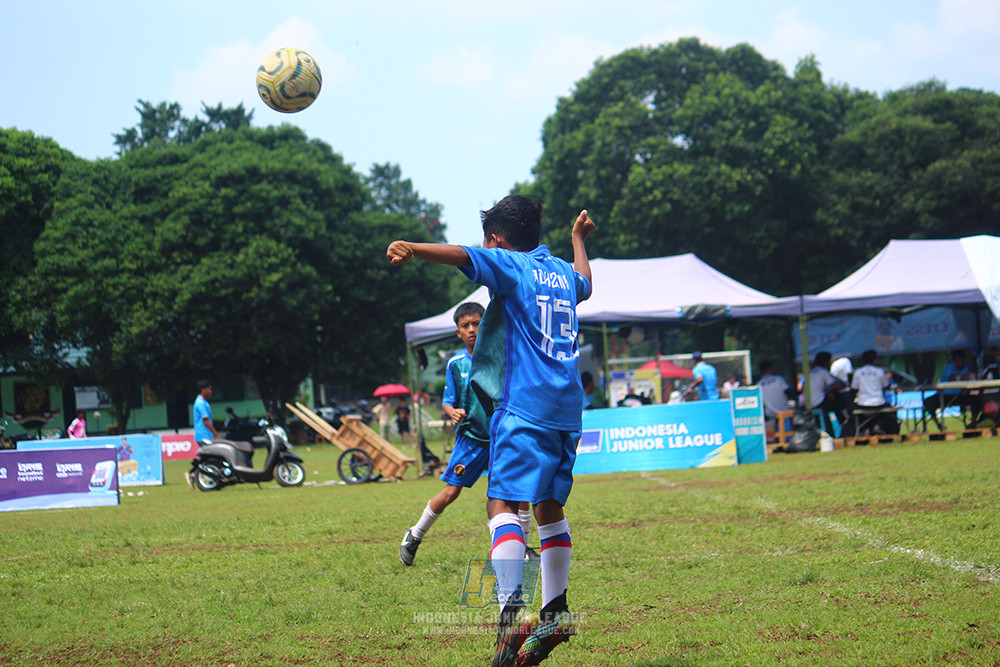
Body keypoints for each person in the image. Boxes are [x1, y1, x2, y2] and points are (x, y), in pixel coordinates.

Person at [387, 195, 593, 667]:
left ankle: (509, 613)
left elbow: (463, 254)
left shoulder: (512, 265)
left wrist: (413, 248)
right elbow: (586, 284)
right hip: (569, 406)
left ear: (498, 239)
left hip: (527, 406)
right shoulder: (561, 271)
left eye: (488, 240)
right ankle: (556, 612)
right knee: (548, 506)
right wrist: (578, 241)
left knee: (501, 504)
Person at [399, 302, 534, 566]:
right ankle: (415, 534)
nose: (472, 329)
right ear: (458, 332)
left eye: (477, 323)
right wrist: (452, 412)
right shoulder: (456, 364)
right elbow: (448, 401)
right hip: (471, 439)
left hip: (502, 437)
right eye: (465, 325)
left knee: (518, 494)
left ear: (486, 324)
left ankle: (524, 547)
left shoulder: (502, 355)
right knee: (451, 492)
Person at [922, 350, 981, 430]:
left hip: (958, 396)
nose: (958, 362)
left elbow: (967, 383)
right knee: (928, 402)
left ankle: (973, 423)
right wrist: (964, 376)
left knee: (976, 399)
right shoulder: (949, 367)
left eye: (960, 360)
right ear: (954, 360)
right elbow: (952, 377)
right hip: (944, 396)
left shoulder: (966, 368)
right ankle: (939, 424)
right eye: (957, 360)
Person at [851, 350, 899, 435]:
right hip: (879, 402)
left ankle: (863, 429)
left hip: (863, 403)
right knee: (890, 411)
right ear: (875, 359)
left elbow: (854, 388)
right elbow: (886, 386)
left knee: (853, 411)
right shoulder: (880, 371)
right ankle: (880, 426)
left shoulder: (858, 372)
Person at [809, 352, 845, 435]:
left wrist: (829, 392)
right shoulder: (823, 372)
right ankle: (843, 423)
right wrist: (844, 385)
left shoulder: (811, 373)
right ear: (826, 362)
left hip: (809, 402)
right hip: (819, 402)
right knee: (839, 400)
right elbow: (835, 386)